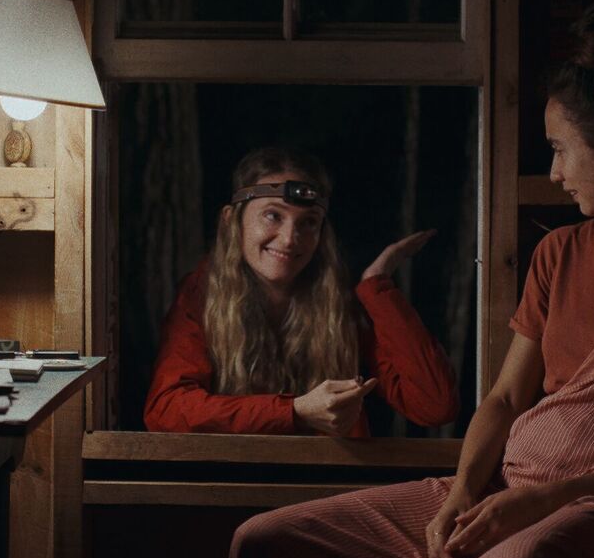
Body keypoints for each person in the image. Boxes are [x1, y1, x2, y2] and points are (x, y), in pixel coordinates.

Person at [229, 0, 594, 558]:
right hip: (511, 489)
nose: (554, 172)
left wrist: (547, 501)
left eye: (559, 149)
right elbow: (507, 399)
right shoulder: (561, 252)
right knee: (267, 542)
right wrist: (464, 490)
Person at [143, 147, 458, 436]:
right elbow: (165, 410)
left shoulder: (340, 305)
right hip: (231, 476)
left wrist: (378, 286)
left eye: (308, 222)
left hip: (332, 476)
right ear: (231, 220)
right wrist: (293, 411)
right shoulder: (202, 294)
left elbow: (435, 405)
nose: (289, 238)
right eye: (273, 215)